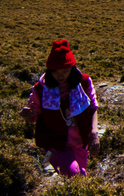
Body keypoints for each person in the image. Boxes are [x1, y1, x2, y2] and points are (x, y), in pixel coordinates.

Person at [20, 39, 99, 176]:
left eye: (65, 71)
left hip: (79, 142)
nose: (60, 76)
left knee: (79, 175)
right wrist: (27, 114)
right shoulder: (41, 89)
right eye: (56, 72)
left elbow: (92, 108)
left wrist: (94, 133)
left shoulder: (84, 83)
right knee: (74, 174)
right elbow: (34, 115)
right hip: (55, 143)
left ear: (72, 69)